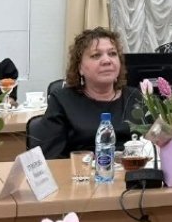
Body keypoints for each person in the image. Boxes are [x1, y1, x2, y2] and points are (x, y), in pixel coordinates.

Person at [37, 27, 142, 159]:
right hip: (80, 171)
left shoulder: (135, 97)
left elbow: (155, 146)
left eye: (112, 54)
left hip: (134, 171)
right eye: (96, 55)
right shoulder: (62, 101)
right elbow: (51, 158)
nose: (107, 60)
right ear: (80, 67)